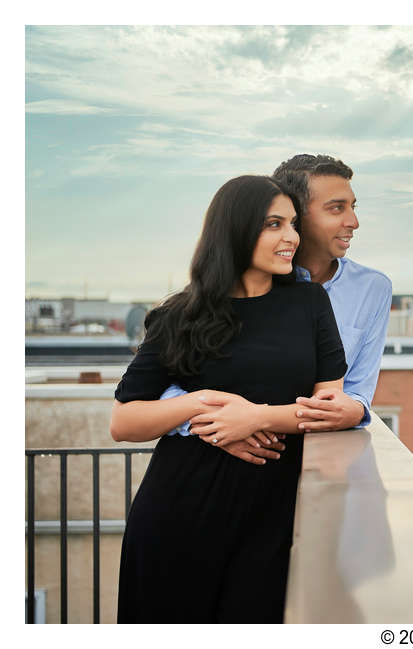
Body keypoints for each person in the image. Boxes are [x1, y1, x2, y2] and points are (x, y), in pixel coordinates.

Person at [111, 175, 348, 622]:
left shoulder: (309, 303)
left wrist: (254, 418)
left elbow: (330, 406)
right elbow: (124, 421)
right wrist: (201, 407)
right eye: (274, 224)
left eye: (293, 224)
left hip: (271, 518)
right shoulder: (180, 315)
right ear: (236, 229)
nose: (291, 237)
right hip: (177, 515)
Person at [162, 154, 392, 466]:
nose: (353, 221)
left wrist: (355, 409)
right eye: (337, 208)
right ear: (294, 212)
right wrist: (219, 425)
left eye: (353, 206)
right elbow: (165, 386)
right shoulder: (242, 285)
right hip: (219, 463)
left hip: (313, 466)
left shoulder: (373, 289)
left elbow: (355, 392)